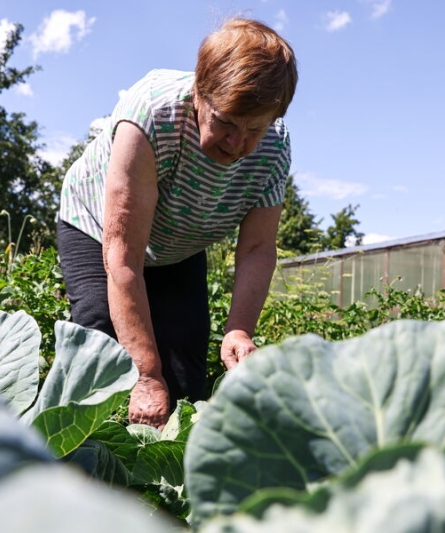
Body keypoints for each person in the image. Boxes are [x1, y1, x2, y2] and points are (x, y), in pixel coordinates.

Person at [56, 17, 298, 429]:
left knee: (184, 367)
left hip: (179, 242)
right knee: (100, 338)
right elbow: (123, 255)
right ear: (199, 93)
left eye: (254, 128)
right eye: (225, 122)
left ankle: (161, 485)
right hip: (99, 228)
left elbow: (258, 249)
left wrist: (239, 330)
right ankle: (76, 463)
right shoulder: (151, 114)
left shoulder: (274, 148)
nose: (238, 144)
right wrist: (146, 375)